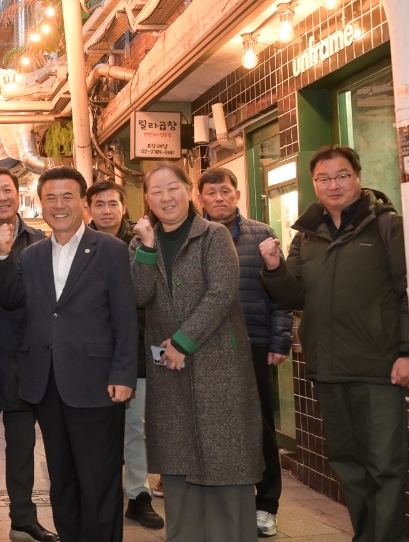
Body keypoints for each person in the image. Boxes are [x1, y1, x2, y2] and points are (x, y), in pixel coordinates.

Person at [260, 145, 409, 542]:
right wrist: (273, 267)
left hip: (379, 367)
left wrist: (406, 352)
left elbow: (408, 294)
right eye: (323, 179)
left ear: (358, 177)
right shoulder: (307, 235)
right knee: (347, 462)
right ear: (315, 184)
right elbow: (293, 297)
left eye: (342, 176)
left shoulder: (387, 226)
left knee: (386, 466)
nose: (333, 185)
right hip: (328, 367)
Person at [0, 167, 137, 542]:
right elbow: (11, 299)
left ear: (83, 203)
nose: (59, 205)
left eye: (67, 197)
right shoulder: (32, 254)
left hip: (97, 383)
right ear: (41, 204)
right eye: (51, 198)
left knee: (99, 480)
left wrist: (124, 373)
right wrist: (4, 255)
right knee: (62, 479)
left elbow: (125, 317)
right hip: (47, 383)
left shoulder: (110, 250)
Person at [129, 163, 263, 542]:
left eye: (173, 188)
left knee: (226, 461)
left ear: (189, 191)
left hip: (218, 366)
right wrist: (148, 249)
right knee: (178, 464)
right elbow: (138, 295)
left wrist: (182, 342)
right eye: (156, 191)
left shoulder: (213, 235)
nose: (166, 197)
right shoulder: (141, 243)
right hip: (168, 371)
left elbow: (222, 293)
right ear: (148, 199)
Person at [197, 168, 293, 537]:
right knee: (213, 426)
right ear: (201, 198)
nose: (218, 198)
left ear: (237, 195)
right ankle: (224, 502)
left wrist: (279, 340)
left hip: (253, 344)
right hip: (205, 348)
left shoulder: (263, 234)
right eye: (211, 192)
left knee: (261, 427)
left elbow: (281, 292)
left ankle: (266, 505)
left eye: (225, 191)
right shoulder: (193, 236)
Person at [0, 168, 57, 542]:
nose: (2, 197)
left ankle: (23, 518)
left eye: (7, 190)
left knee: (23, 447)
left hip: (25, 359)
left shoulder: (39, 242)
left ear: (18, 194)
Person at [85, 180, 164, 531]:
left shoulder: (142, 240)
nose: (106, 210)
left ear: (124, 207)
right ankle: (99, 495)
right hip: (91, 354)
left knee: (135, 427)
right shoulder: (79, 243)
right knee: (96, 430)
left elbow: (147, 293)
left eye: (113, 203)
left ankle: (138, 495)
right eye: (99, 204)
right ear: (89, 209)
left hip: (137, 349)